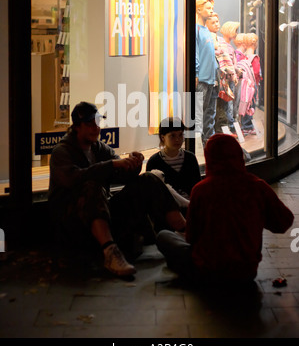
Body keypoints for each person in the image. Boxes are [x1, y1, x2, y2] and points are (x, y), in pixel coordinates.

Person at [48, 101, 186, 278]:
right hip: (72, 221)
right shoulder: (62, 151)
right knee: (92, 185)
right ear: (76, 127)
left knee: (149, 179)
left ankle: (185, 232)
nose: (96, 128)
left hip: (102, 213)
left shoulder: (99, 148)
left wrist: (132, 166)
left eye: (97, 122)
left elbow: (119, 174)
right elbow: (72, 179)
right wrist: (112, 164)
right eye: (90, 124)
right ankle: (110, 252)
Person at [156, 133, 294, 286]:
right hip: (246, 272)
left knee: (164, 236)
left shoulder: (201, 190)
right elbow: (284, 222)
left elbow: (191, 237)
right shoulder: (257, 187)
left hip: (207, 270)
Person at [146, 117, 201, 214]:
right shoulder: (154, 162)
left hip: (192, 210)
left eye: (180, 135)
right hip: (167, 213)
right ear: (163, 137)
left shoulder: (190, 158)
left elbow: (197, 188)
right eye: (172, 136)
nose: (178, 139)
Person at [206, 16, 238, 134]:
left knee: (223, 106)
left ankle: (221, 131)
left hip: (223, 78)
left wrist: (233, 74)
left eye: (217, 21)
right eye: (213, 22)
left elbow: (226, 59)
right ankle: (212, 134)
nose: (216, 24)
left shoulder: (221, 41)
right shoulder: (206, 37)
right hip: (211, 76)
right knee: (211, 108)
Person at [195, 0, 219, 147]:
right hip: (202, 79)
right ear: (198, 10)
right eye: (208, 8)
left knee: (210, 112)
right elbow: (195, 53)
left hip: (211, 78)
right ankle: (196, 145)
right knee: (198, 112)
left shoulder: (206, 30)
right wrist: (196, 74)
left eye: (211, 8)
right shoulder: (196, 29)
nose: (211, 11)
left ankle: (208, 143)